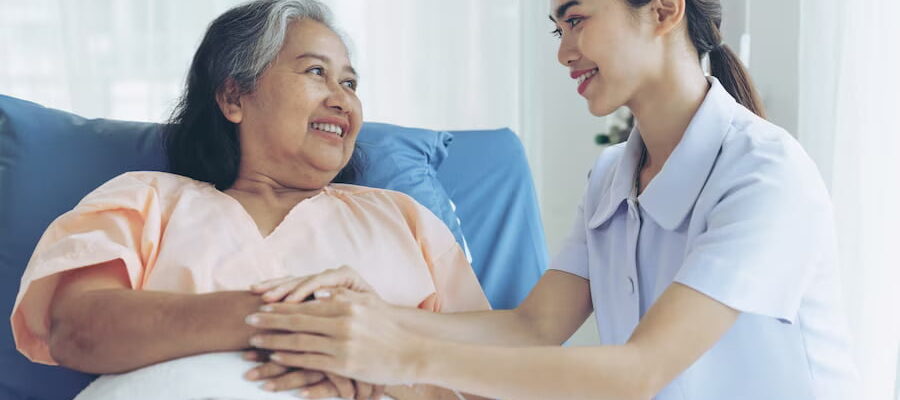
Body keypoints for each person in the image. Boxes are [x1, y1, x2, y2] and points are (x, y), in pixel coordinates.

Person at [237, 0, 860, 399]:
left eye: (578, 19)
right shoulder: (614, 175)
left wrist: (399, 353)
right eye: (557, 28)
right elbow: (532, 327)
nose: (563, 50)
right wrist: (375, 315)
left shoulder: (763, 173)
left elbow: (641, 372)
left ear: (664, 9)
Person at [10, 1, 489, 399]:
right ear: (234, 97)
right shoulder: (145, 200)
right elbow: (79, 330)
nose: (343, 99)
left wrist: (389, 374)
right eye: (316, 72)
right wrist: (300, 321)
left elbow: (496, 371)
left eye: (350, 83)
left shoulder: (405, 220)